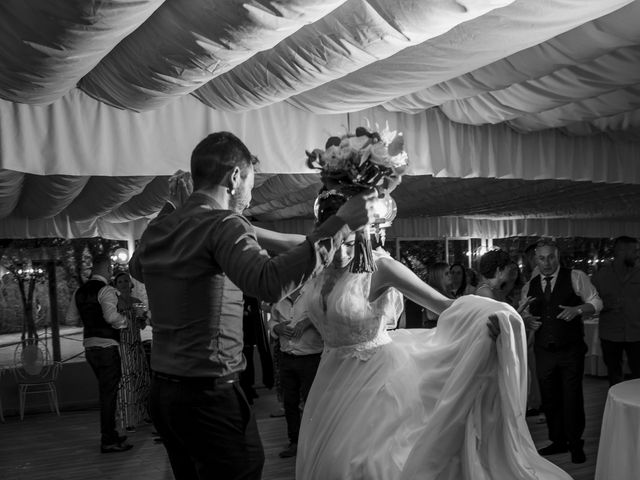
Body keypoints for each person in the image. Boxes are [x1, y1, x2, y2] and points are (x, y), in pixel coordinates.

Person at [129, 131, 377, 480]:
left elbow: (136, 267)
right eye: (250, 183)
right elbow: (269, 282)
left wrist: (171, 207)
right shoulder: (225, 223)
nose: (249, 194)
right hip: (209, 397)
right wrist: (340, 224)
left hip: (165, 396)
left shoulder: (161, 229)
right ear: (234, 177)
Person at [296, 191, 572, 480]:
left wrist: (494, 317)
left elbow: (445, 306)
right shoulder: (316, 261)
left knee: (370, 464)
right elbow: (265, 246)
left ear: (363, 230)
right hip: (331, 381)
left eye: (348, 235)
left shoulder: (381, 267)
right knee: (328, 460)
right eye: (331, 235)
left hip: (375, 380)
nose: (338, 244)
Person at [520, 238, 602, 464]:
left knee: (572, 397)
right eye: (542, 258)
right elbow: (523, 313)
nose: (547, 263)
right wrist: (527, 320)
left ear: (558, 256)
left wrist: (578, 309)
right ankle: (557, 441)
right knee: (550, 399)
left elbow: (596, 303)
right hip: (544, 351)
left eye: (551, 257)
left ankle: (576, 444)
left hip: (570, 350)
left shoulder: (576, 277)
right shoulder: (530, 285)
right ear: (535, 259)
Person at [66, 253, 132, 453]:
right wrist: (125, 321)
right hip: (106, 348)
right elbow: (112, 317)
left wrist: (89, 320)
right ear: (107, 270)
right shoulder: (106, 290)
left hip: (90, 348)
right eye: (110, 269)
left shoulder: (79, 290)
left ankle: (111, 435)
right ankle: (108, 440)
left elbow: (70, 319)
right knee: (109, 395)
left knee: (107, 393)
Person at [268, 287, 323, 458]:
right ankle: (295, 443)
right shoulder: (279, 295)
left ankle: (315, 445)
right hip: (287, 359)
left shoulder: (315, 292)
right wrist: (277, 328)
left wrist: (307, 322)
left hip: (311, 358)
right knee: (290, 404)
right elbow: (272, 321)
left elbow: (327, 316)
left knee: (312, 404)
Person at [591, 235, 640, 386]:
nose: (637, 254)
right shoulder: (601, 276)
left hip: (637, 333)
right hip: (610, 334)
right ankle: (617, 407)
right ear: (621, 251)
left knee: (639, 373)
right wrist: (606, 305)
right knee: (614, 374)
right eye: (634, 251)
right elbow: (592, 303)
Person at [112, 271, 151, 432]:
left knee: (142, 379)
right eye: (120, 281)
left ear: (131, 283)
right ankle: (128, 420)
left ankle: (144, 414)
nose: (123, 284)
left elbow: (142, 326)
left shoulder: (138, 302)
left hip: (137, 344)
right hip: (123, 345)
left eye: (126, 281)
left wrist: (142, 318)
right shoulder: (114, 303)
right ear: (116, 285)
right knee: (127, 381)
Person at [423, 262, 452, 327]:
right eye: (446, 273)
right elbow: (431, 315)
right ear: (438, 276)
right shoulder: (433, 292)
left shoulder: (446, 292)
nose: (450, 275)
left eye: (450, 272)